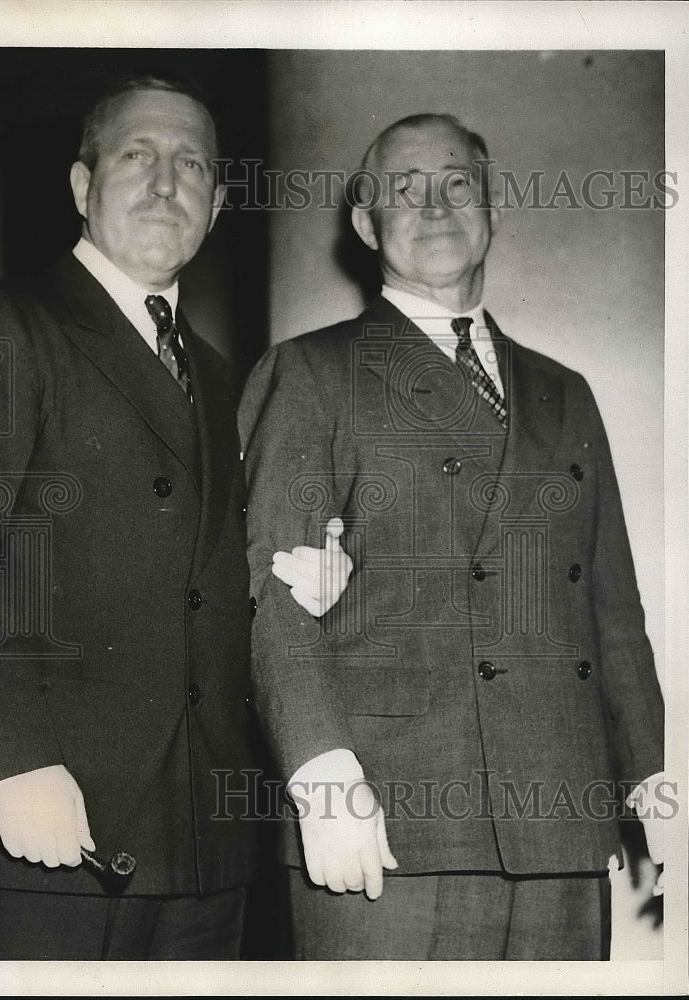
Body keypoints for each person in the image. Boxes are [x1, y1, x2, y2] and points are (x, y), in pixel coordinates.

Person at [238, 113, 665, 960]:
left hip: (563, 820)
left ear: (494, 208)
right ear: (365, 224)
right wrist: (322, 776)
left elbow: (612, 610)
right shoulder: (313, 370)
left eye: (458, 183)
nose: (434, 205)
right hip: (389, 820)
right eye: (403, 189)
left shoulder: (564, 391)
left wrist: (651, 779)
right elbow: (270, 596)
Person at [0, 75, 349, 961]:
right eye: (137, 155)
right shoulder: (8, 321)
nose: (165, 182)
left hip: (206, 848)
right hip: (51, 826)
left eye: (191, 165)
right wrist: (8, 756)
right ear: (80, 187)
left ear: (217, 206)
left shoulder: (224, 380)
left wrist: (320, 575)